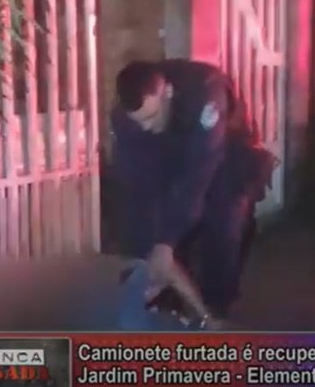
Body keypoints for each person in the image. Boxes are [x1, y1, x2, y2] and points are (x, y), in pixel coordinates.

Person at [111, 59, 276, 322]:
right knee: (156, 231)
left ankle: (216, 311)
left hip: (225, 150)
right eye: (139, 121)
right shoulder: (124, 119)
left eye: (151, 117)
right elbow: (138, 187)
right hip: (176, 148)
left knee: (222, 221)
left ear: (167, 92)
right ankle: (168, 303)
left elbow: (198, 173)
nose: (145, 127)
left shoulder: (205, 94)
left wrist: (165, 242)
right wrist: (145, 253)